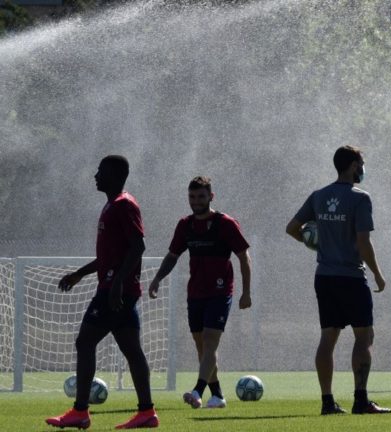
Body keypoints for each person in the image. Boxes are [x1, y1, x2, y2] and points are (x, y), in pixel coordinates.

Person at [46, 155, 158, 429]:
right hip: (115, 286)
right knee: (132, 350)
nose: (95, 176)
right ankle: (146, 413)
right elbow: (112, 255)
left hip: (114, 290)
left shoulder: (123, 205)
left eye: (101, 171)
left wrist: (118, 282)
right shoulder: (112, 205)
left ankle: (80, 411)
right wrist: (79, 275)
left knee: (85, 342)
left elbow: (138, 247)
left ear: (116, 175)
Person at [285, 145, 391, 415]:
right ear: (354, 165)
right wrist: (378, 273)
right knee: (364, 336)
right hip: (352, 277)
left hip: (325, 278)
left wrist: (315, 245)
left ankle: (327, 402)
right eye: (362, 163)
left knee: (328, 338)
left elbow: (292, 228)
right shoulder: (360, 198)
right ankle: (360, 400)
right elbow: (363, 242)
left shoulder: (319, 196)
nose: (363, 169)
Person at [148, 176, 252, 409]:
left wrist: (246, 292)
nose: (196, 201)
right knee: (201, 346)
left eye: (201, 196)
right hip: (195, 293)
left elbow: (244, 256)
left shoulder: (225, 223)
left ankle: (197, 391)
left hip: (220, 291)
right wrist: (157, 279)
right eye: (192, 197)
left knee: (210, 341)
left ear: (211, 197)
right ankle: (217, 396)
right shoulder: (185, 225)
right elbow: (173, 256)